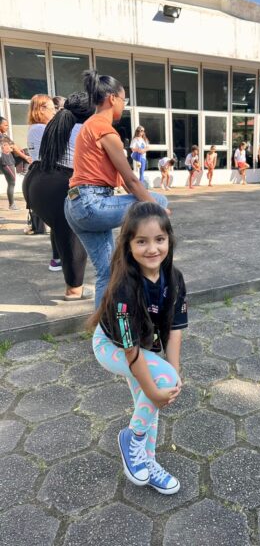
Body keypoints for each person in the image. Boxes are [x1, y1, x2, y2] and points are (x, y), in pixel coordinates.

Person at [89, 202, 186, 494]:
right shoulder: (124, 288)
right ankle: (131, 438)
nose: (152, 248)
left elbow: (175, 329)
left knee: (151, 400)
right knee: (156, 388)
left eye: (159, 239)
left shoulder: (174, 278)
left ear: (169, 240)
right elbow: (129, 351)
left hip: (142, 347)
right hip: (112, 347)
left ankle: (148, 462)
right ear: (128, 245)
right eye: (141, 241)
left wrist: (174, 373)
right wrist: (162, 383)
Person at [64, 69, 168, 309]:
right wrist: (156, 208)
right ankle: (149, 259)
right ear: (112, 98)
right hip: (91, 203)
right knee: (159, 202)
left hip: (75, 205)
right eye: (124, 100)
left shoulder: (89, 126)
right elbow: (131, 180)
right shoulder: (105, 129)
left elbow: (119, 180)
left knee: (107, 272)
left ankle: (102, 326)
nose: (124, 105)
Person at [22, 92, 94, 300]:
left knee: (60, 228)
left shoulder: (52, 127)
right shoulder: (84, 129)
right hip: (60, 183)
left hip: (37, 181)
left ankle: (57, 260)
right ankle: (74, 290)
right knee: (74, 233)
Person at [25, 95, 58, 273]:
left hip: (39, 176)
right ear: (41, 109)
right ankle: (59, 258)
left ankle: (58, 258)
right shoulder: (41, 128)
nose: (54, 112)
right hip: (46, 176)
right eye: (52, 108)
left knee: (56, 222)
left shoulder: (35, 128)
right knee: (60, 222)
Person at [0, 140, 18, 210]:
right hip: (6, 163)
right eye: (9, 146)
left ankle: (12, 204)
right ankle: (11, 204)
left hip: (9, 162)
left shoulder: (5, 138)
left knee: (12, 183)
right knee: (11, 183)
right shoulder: (3, 150)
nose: (11, 148)